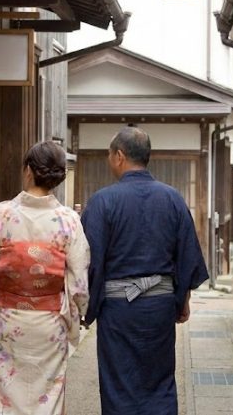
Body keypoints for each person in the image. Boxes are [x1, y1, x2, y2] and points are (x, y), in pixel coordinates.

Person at [81, 126, 209, 415]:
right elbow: (186, 256)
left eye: (109, 154)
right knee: (159, 381)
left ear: (119, 156)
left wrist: (87, 309)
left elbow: (90, 261)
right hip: (159, 307)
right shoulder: (173, 198)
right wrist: (182, 303)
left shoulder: (103, 201)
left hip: (118, 311)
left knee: (118, 383)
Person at [0, 141, 90, 415]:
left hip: (8, 319)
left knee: (7, 395)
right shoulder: (68, 220)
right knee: (47, 395)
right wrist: (77, 316)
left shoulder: (2, 214)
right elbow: (79, 284)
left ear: (28, 171)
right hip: (49, 324)